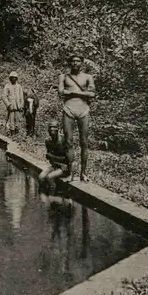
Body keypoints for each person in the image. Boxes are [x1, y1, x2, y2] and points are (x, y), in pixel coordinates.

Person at [58, 53, 95, 182]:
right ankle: (70, 173)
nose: (75, 63)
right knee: (68, 142)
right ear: (69, 63)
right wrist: (80, 93)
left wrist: (74, 92)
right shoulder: (63, 77)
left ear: (82, 63)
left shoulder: (88, 77)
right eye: (73, 61)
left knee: (84, 142)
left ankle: (83, 173)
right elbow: (61, 92)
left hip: (83, 110)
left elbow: (92, 93)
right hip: (68, 109)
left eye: (78, 61)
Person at [38, 121, 69, 191]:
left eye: (54, 127)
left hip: (65, 168)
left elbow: (68, 159)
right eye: (50, 128)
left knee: (49, 177)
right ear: (48, 130)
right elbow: (49, 158)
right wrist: (54, 160)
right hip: (55, 165)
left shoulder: (64, 140)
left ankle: (52, 197)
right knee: (40, 177)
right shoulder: (48, 141)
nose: (52, 129)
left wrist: (52, 157)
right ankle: (43, 195)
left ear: (58, 129)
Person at [2, 71, 24, 136]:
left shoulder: (19, 86)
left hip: (18, 106)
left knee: (17, 119)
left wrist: (21, 105)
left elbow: (21, 97)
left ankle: (17, 133)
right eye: (12, 78)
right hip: (11, 105)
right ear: (10, 78)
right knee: (11, 120)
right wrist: (8, 104)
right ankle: (12, 134)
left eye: (15, 78)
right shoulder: (7, 86)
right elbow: (4, 96)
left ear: (16, 78)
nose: (13, 79)